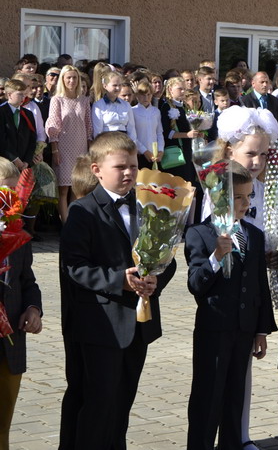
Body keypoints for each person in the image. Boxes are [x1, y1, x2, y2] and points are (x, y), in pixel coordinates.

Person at [59, 132, 176, 449]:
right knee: (97, 404)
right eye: (120, 167)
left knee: (122, 403)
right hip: (99, 326)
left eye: (133, 166)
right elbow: (74, 268)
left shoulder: (148, 205)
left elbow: (168, 258)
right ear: (96, 169)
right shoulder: (83, 211)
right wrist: (118, 280)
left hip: (138, 324)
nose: (129, 173)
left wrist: (156, 279)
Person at [185, 161, 277, 450]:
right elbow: (195, 284)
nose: (246, 203)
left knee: (235, 395)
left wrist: (261, 330)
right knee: (208, 396)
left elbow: (259, 285)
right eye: (239, 197)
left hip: (244, 330)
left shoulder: (254, 234)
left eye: (249, 196)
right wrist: (215, 257)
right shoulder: (199, 234)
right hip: (214, 330)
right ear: (218, 197)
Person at [0, 161, 43, 450]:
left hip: (11, 342)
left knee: (2, 424)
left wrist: (33, 309)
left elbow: (27, 280)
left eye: (16, 192)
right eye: (5, 191)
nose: (12, 199)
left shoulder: (19, 232)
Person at [45, 65, 92, 222]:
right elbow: (53, 125)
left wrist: (89, 150)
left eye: (74, 77)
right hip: (63, 147)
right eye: (68, 77)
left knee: (77, 188)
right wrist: (55, 150)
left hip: (80, 147)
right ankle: (65, 225)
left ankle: (73, 222)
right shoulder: (57, 100)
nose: (72, 80)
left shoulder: (84, 101)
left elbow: (88, 126)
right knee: (63, 188)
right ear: (63, 80)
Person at [0, 79, 37, 173]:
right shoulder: (2, 112)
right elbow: (2, 139)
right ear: (9, 95)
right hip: (5, 163)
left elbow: (32, 139)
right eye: (20, 94)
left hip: (24, 164)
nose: (23, 97)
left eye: (24, 94)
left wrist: (27, 161)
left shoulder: (28, 114)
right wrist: (15, 159)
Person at [92, 71, 137, 144]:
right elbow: (97, 131)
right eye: (114, 85)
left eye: (120, 85)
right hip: (107, 143)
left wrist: (133, 145)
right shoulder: (98, 105)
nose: (118, 88)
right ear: (105, 86)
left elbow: (131, 129)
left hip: (124, 143)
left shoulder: (126, 105)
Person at [131, 80, 164, 170]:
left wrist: (161, 151)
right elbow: (133, 135)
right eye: (142, 95)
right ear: (137, 96)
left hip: (155, 156)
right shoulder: (132, 111)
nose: (146, 98)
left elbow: (159, 133)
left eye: (148, 94)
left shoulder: (156, 111)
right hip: (140, 155)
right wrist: (144, 151)